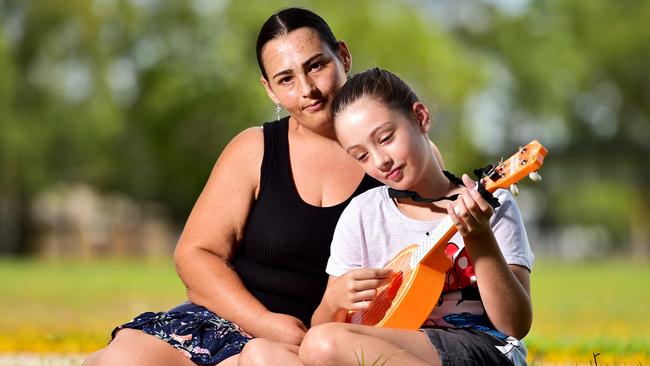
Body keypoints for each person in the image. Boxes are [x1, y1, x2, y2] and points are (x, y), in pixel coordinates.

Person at [82, 7, 385, 366]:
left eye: (316, 65)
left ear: (344, 56)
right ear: (269, 90)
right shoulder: (254, 149)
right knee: (120, 360)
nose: (307, 90)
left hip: (314, 344)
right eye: (285, 79)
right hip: (228, 321)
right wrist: (265, 323)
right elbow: (194, 255)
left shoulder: (391, 154)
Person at [296, 68, 535, 366]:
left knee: (321, 344)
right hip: (399, 350)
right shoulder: (362, 214)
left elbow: (515, 326)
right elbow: (322, 332)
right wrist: (333, 301)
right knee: (277, 351)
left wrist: (479, 237)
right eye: (361, 156)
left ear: (420, 118)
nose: (380, 161)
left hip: (482, 350)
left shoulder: (491, 204)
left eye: (385, 138)